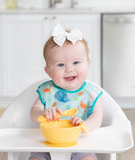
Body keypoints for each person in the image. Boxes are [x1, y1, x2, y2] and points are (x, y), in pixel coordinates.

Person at [29, 24, 103, 160]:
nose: (69, 69)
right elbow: (34, 113)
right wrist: (43, 113)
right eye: (60, 65)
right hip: (47, 143)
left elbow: (97, 117)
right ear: (48, 71)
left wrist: (84, 125)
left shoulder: (91, 93)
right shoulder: (47, 91)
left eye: (76, 62)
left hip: (80, 144)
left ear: (88, 64)